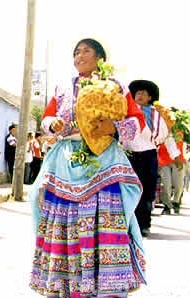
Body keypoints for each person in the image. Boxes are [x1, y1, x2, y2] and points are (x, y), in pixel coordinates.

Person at [29, 38, 147, 297]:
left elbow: (137, 121)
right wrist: (53, 125)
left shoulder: (116, 86)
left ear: (100, 58)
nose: (79, 56)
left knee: (104, 215)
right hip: (66, 159)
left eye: (86, 51)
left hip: (104, 158)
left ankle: (107, 286)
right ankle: (66, 284)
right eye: (76, 52)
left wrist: (113, 129)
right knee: (61, 215)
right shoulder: (62, 88)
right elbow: (47, 117)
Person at [124, 80, 169, 236]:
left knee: (146, 190)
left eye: (143, 93)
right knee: (128, 189)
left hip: (148, 153)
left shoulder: (156, 114)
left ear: (150, 97)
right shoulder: (125, 111)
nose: (140, 95)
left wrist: (151, 141)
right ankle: (128, 224)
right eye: (137, 93)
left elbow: (163, 134)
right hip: (128, 154)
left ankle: (144, 224)